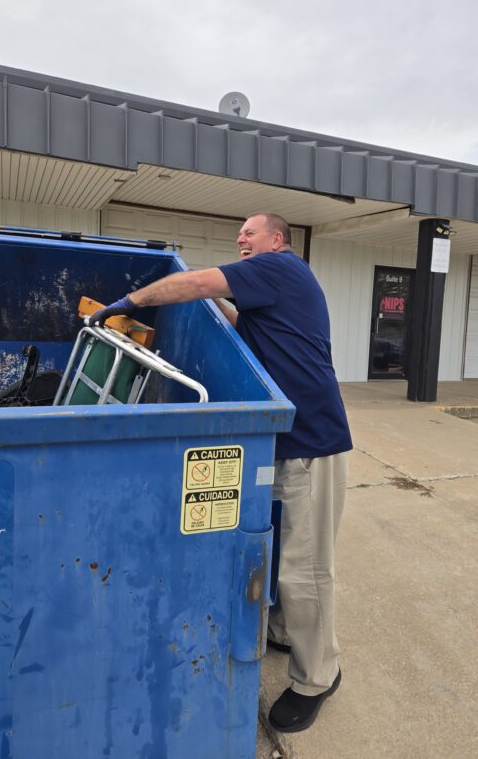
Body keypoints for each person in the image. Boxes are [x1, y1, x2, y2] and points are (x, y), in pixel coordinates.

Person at [89, 213, 352, 733]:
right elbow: (232, 320)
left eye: (249, 232)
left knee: (306, 569)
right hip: (283, 439)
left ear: (277, 239)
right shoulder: (267, 293)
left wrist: (131, 301)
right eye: (240, 234)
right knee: (283, 555)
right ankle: (286, 632)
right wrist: (201, 301)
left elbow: (200, 283)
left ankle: (318, 677)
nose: (240, 238)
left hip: (312, 443)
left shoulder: (281, 267)